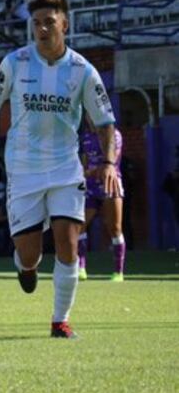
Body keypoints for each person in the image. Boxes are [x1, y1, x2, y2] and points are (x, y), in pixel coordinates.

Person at [0, 0, 119, 339]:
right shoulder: (15, 63)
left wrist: (108, 162)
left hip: (65, 169)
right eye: (36, 23)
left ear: (65, 25)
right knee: (30, 255)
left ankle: (59, 321)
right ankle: (25, 265)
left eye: (49, 22)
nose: (42, 29)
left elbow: (105, 121)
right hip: (23, 169)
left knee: (68, 243)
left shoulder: (82, 71)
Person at [78, 118, 126, 281]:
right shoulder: (85, 137)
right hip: (90, 187)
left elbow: (111, 163)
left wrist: (93, 171)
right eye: (89, 116)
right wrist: (83, 173)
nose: (91, 119)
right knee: (80, 225)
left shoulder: (114, 135)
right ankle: (81, 268)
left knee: (114, 228)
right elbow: (84, 164)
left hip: (110, 185)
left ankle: (118, 272)